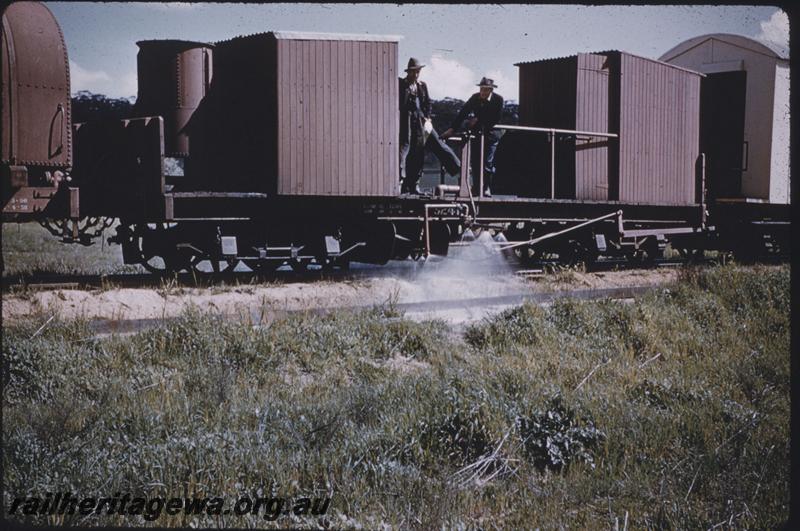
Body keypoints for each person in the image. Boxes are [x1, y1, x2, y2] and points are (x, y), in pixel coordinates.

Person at [399, 58, 460, 194]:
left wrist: (428, 117)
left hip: (421, 122)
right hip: (406, 122)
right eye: (413, 72)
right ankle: (405, 183)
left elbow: (427, 103)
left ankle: (457, 168)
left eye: (417, 72)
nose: (415, 75)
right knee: (409, 151)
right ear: (408, 72)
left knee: (427, 148)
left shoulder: (422, 86)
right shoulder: (402, 84)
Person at [442, 77, 504, 197]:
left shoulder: (498, 100)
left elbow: (495, 118)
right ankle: (476, 188)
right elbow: (463, 113)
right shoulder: (475, 98)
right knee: (475, 162)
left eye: (485, 90)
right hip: (477, 135)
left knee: (487, 163)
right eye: (481, 89)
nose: (482, 92)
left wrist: (477, 120)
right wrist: (452, 129)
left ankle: (486, 187)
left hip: (491, 136)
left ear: (491, 90)